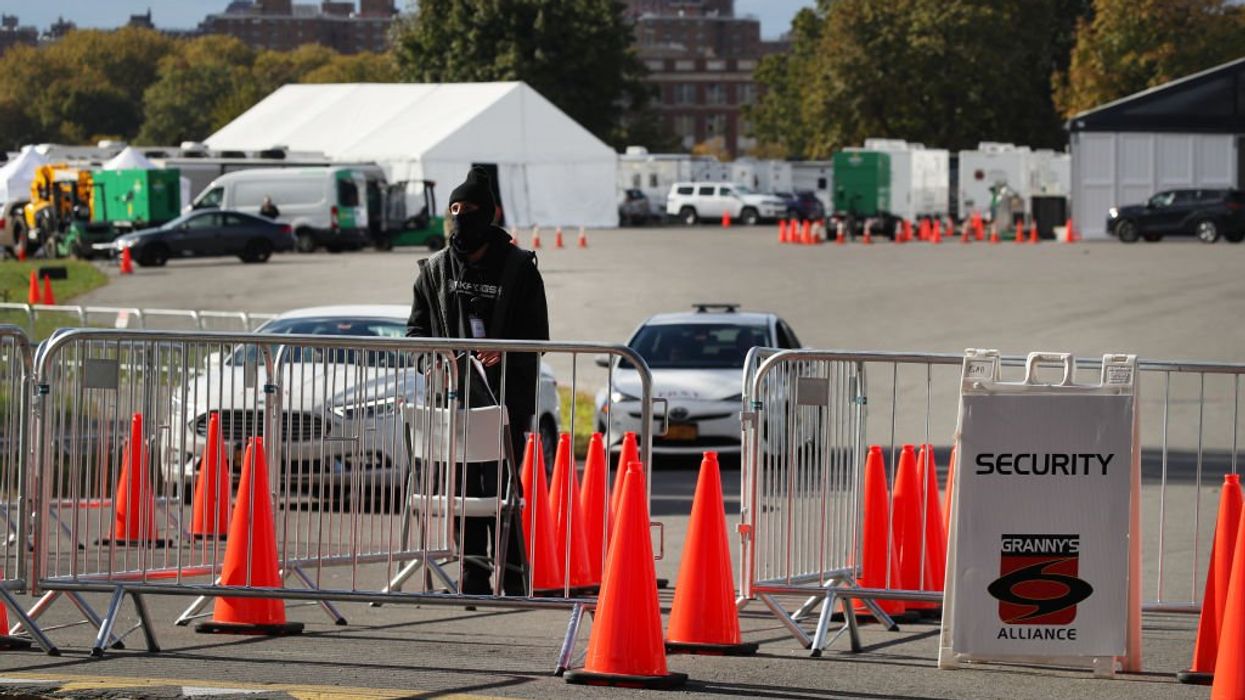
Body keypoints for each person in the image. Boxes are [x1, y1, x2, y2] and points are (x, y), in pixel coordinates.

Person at [406, 166, 549, 597]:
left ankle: (515, 575)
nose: (459, 216)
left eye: (468, 210)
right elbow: (414, 332)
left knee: (505, 487)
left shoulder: (520, 267)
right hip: (454, 399)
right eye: (453, 209)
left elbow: (539, 336)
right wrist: (434, 355)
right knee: (464, 490)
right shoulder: (433, 270)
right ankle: (472, 578)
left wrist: (505, 350)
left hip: (508, 397)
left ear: (488, 214)